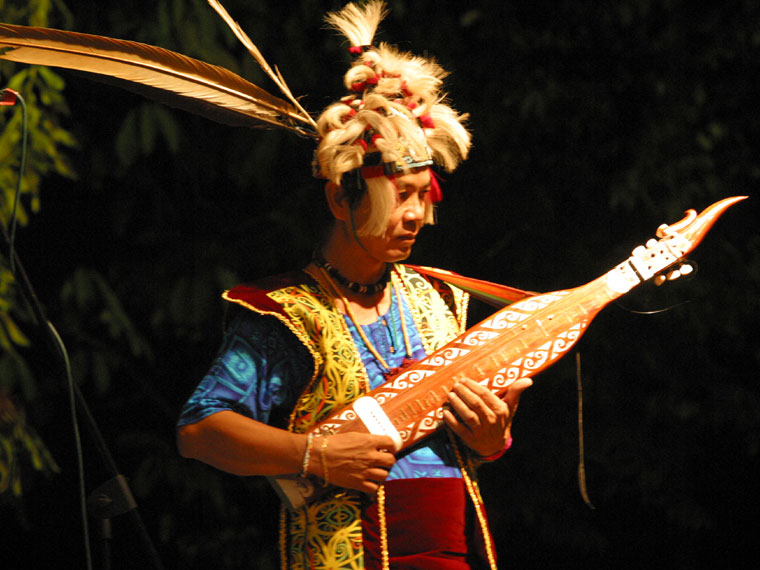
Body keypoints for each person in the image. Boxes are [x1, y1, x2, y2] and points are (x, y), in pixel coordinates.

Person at [177, 2, 532, 569]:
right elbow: (200, 430)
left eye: (424, 194)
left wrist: (491, 440)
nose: (415, 215)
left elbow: (466, 450)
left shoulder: (438, 301)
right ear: (340, 199)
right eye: (400, 196)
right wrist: (314, 455)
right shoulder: (289, 313)